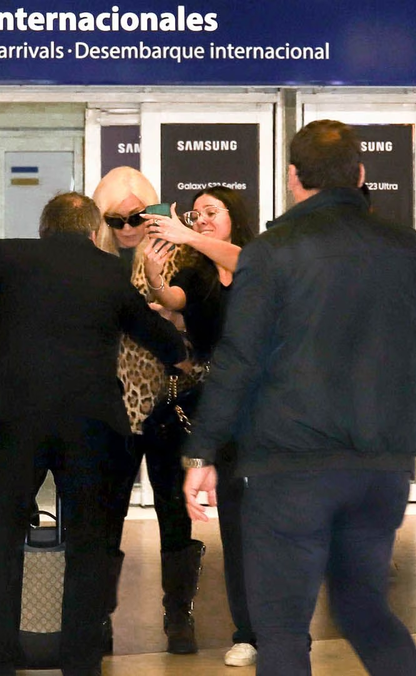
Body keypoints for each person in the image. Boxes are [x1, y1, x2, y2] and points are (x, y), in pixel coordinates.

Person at [181, 120, 416, 676]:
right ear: (360, 175)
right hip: (380, 467)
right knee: (364, 609)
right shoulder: (408, 249)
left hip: (289, 467)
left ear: (293, 177)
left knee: (282, 630)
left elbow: (239, 359)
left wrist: (202, 451)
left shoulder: (270, 253)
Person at [0, 192, 187, 676]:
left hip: (10, 421)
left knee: (0, 541)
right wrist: (181, 336)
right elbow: (157, 338)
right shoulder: (109, 269)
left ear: (44, 230)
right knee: (88, 545)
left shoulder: (4, 257)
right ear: (94, 232)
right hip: (90, 425)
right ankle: (81, 663)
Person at [91, 167, 205, 655]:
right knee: (105, 513)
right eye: (114, 220)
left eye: (135, 217)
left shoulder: (176, 255)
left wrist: (175, 319)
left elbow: (200, 324)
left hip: (167, 403)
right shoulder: (92, 261)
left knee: (174, 511)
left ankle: (179, 613)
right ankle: (97, 616)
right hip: (109, 407)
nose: (126, 228)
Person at [144, 186, 258, 667]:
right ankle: (246, 632)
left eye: (212, 211)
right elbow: (170, 296)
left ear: (235, 216)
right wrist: (154, 271)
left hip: (269, 408)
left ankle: (285, 629)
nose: (202, 219)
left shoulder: (257, 259)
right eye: (195, 214)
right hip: (221, 408)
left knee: (276, 525)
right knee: (234, 523)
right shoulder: (194, 271)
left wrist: (187, 234)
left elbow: (243, 261)